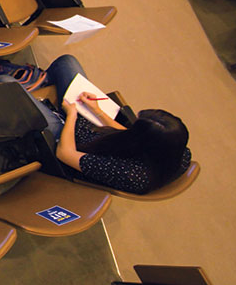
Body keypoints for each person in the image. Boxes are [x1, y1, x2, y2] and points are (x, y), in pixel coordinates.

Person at [27, 56, 191, 195]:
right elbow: (131, 134)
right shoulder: (177, 152)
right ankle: (35, 85)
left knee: (4, 82)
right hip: (93, 130)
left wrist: (72, 116)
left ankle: (31, 87)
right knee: (66, 62)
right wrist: (97, 111)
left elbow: (65, 154)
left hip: (68, 141)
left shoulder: (129, 174)